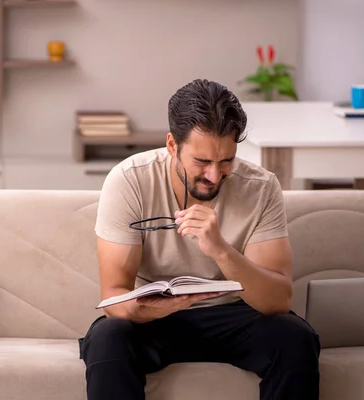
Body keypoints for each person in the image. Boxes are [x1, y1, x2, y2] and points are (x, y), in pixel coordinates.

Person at [78, 79, 320, 400]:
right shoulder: (130, 180)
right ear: (172, 145)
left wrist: (221, 250)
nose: (214, 176)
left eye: (226, 161)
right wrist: (156, 309)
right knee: (109, 337)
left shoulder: (261, 187)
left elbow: (277, 300)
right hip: (154, 320)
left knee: (295, 337)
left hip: (234, 315)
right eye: (202, 162)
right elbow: (114, 296)